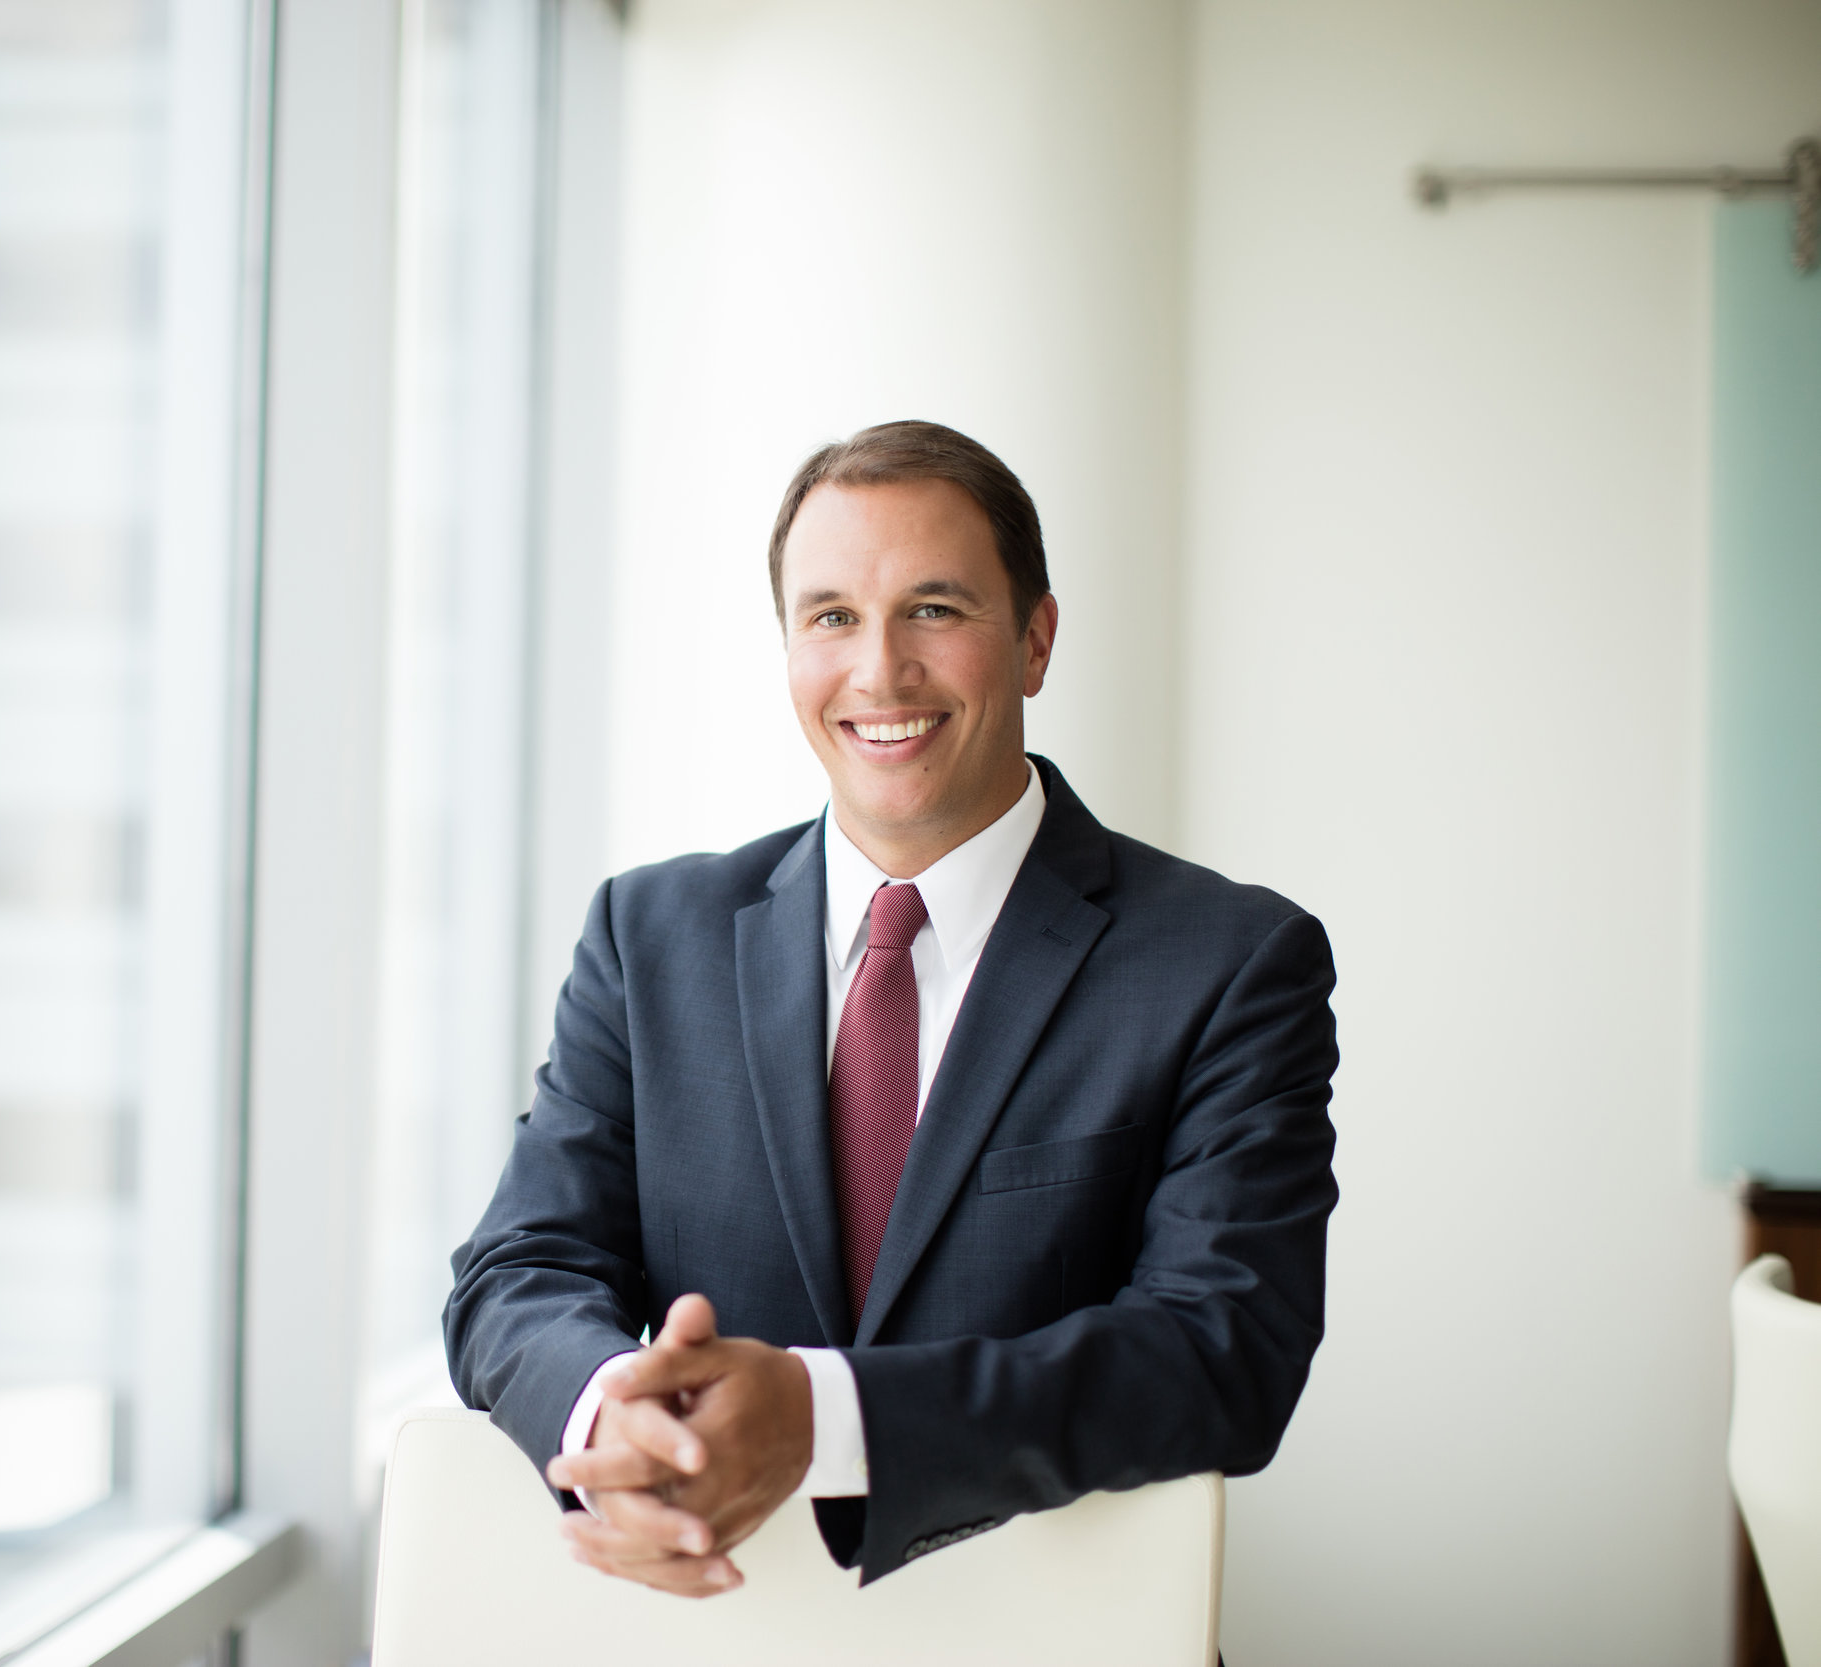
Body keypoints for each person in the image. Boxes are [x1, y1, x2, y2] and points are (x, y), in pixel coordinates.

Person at [444, 419, 1338, 1596]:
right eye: (830, 617)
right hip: (704, 1635)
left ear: (1034, 639)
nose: (877, 671)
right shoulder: (647, 935)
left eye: (933, 608)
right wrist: (620, 1411)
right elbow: (516, 1267)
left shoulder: (1227, 961)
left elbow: (1224, 1354)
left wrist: (823, 1415)